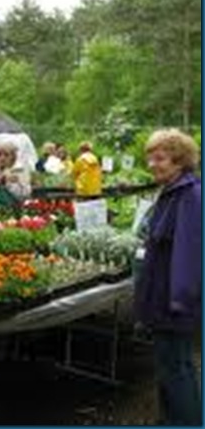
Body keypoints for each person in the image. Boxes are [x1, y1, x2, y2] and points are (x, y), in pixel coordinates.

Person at [134, 129, 201, 426]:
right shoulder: (172, 192)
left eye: (159, 158)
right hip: (162, 299)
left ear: (180, 160)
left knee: (178, 370)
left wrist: (180, 302)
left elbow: (190, 253)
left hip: (174, 302)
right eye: (150, 158)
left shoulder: (190, 196)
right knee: (169, 368)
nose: (152, 164)